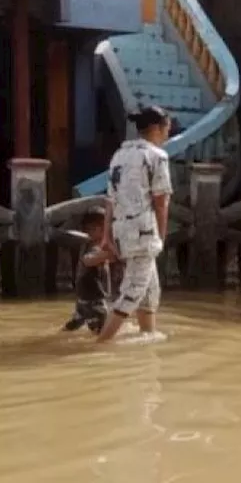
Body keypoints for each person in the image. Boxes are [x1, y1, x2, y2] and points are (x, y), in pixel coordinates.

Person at [96, 106, 176, 343]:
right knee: (133, 290)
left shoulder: (119, 156)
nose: (167, 135)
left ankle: (147, 335)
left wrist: (107, 234)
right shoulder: (157, 156)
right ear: (157, 128)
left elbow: (110, 199)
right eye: (167, 130)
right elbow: (161, 202)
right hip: (143, 230)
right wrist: (160, 236)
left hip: (122, 228)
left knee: (150, 291)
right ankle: (101, 343)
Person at [62, 207, 115, 334]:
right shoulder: (94, 248)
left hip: (82, 301)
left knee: (72, 327)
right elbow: (88, 260)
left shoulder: (89, 245)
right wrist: (110, 254)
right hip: (94, 303)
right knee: (101, 335)